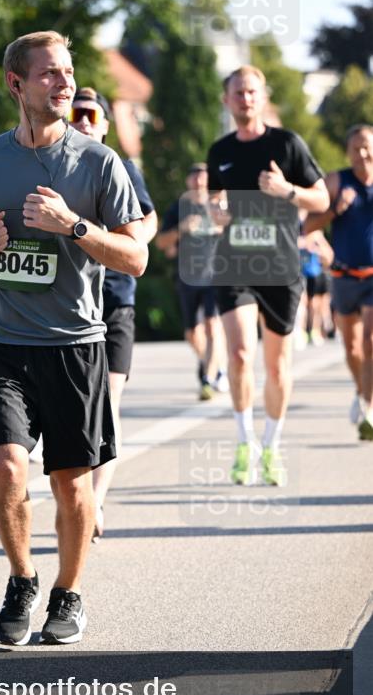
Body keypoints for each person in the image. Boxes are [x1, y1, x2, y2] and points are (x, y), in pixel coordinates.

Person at [0, 31, 147, 645]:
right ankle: (21, 578)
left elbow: (136, 258)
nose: (65, 84)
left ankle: (68, 593)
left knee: (71, 483)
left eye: (68, 72)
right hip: (2, 344)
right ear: (17, 85)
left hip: (76, 345)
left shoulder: (98, 162)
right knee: (9, 466)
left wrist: (75, 226)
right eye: (49, 75)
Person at [206, 66, 329, 485]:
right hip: (234, 263)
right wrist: (217, 212)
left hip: (279, 265)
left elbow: (322, 198)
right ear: (227, 100)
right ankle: (245, 443)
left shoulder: (287, 144)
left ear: (263, 96)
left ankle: (272, 445)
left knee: (277, 368)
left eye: (252, 92)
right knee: (240, 353)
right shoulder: (218, 150)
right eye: (237, 93)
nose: (245, 99)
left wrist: (287, 191)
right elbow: (214, 205)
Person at [68, 86, 157, 541]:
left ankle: (95, 502)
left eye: (91, 115)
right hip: (69, 300)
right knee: (78, 406)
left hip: (116, 296)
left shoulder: (120, 167)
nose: (83, 121)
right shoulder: (56, 164)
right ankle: (81, 495)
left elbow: (149, 216)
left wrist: (135, 240)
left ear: (103, 125)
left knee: (108, 401)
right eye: (76, 113)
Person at [304, 124, 373, 440]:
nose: (362, 153)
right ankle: (362, 391)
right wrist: (336, 209)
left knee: (370, 342)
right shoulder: (336, 180)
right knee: (352, 348)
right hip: (344, 276)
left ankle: (368, 407)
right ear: (348, 152)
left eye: (367, 146)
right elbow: (307, 226)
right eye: (356, 147)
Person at [156, 163, 228, 400]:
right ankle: (213, 365)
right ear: (188, 182)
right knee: (192, 334)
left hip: (216, 276)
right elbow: (161, 243)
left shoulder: (220, 207)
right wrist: (181, 230)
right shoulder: (178, 208)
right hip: (187, 277)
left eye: (204, 179)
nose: (199, 183)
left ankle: (207, 379)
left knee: (212, 326)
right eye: (195, 178)